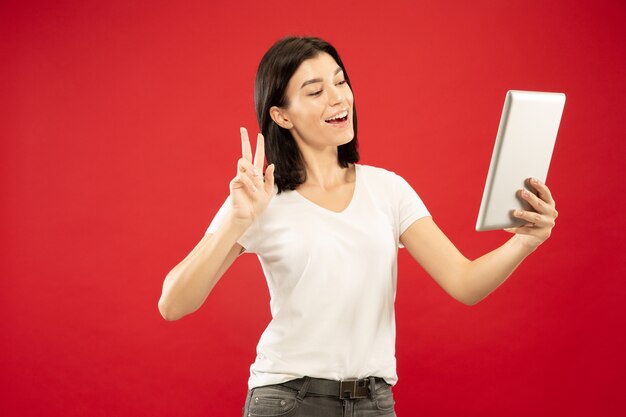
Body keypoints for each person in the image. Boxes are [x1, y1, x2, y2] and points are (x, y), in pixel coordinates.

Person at [157, 36, 558, 417]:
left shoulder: (388, 189)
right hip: (288, 401)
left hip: (374, 402)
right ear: (281, 115)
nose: (338, 98)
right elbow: (173, 304)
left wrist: (525, 241)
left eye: (340, 81)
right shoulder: (260, 198)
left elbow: (464, 283)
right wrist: (235, 220)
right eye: (315, 92)